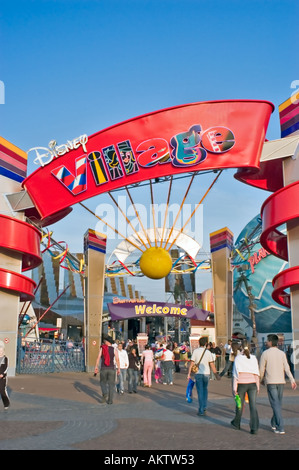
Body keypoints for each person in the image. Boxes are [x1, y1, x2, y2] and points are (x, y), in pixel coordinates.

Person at [259, 334, 297, 434]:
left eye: (267, 341)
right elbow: (287, 368)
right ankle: (273, 422)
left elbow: (261, 369)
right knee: (277, 404)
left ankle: (280, 427)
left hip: (271, 381)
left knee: (275, 404)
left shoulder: (265, 353)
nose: (266, 342)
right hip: (281, 381)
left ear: (271, 342)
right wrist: (292, 380)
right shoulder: (282, 353)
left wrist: (261, 379)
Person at [230, 340, 260, 434]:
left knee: (239, 404)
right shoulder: (253, 358)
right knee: (253, 406)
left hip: (241, 384)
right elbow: (256, 374)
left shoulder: (238, 358)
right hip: (252, 384)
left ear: (241, 347)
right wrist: (258, 386)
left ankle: (237, 423)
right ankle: (254, 428)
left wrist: (234, 388)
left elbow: (236, 375)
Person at [187, 337, 220, 416]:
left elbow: (191, 363)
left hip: (198, 374)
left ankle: (201, 409)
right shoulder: (208, 352)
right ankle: (204, 407)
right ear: (206, 344)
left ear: (199, 343)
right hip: (206, 373)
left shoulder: (195, 351)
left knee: (200, 391)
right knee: (205, 390)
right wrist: (216, 374)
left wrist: (189, 373)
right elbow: (212, 364)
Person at [94, 336, 120, 404]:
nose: (105, 342)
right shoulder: (114, 350)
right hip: (112, 369)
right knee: (111, 384)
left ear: (108, 342)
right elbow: (117, 359)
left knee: (102, 382)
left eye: (105, 341)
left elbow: (98, 357)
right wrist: (119, 368)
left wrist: (96, 367)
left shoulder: (102, 348)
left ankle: (105, 393)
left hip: (103, 368)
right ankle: (110, 400)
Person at [0, 340, 10, 410]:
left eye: (1, 351)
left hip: (2, 378)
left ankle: (6, 403)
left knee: (2, 391)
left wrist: (2, 374)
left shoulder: (5, 358)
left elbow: (6, 367)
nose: (0, 352)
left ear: (3, 351)